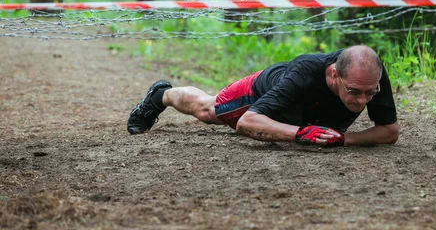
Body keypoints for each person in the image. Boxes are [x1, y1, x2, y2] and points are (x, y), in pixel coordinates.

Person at [127, 45, 399, 147]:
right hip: (264, 90)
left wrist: (343, 139)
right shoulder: (305, 74)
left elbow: (389, 132)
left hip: (306, 111)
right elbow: (247, 122)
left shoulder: (370, 73)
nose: (363, 101)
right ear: (335, 76)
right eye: (354, 92)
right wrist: (300, 134)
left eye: (369, 92)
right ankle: (162, 94)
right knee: (207, 111)